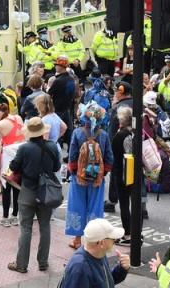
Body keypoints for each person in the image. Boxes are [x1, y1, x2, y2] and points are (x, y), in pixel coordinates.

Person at [6, 116, 61, 274]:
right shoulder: (52, 146)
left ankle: (21, 264)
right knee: (45, 226)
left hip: (28, 190)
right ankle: (43, 262)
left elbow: (14, 166)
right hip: (46, 192)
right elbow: (57, 166)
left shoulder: (24, 148)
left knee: (26, 228)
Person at [65, 103, 114, 249]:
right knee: (95, 207)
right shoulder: (103, 135)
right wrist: (102, 173)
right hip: (97, 178)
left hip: (79, 177)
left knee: (77, 206)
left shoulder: (77, 133)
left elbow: (72, 156)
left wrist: (74, 172)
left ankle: (77, 239)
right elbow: (109, 157)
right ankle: (94, 240)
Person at [57, 218, 131, 287]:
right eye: (113, 238)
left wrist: (122, 269)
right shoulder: (80, 268)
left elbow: (107, 281)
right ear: (102, 243)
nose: (115, 241)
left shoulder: (100, 254)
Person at [111, 106, 135, 245]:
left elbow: (125, 155)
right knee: (135, 203)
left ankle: (128, 235)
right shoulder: (135, 132)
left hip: (123, 173)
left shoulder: (121, 135)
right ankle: (135, 232)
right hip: (134, 172)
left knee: (124, 204)